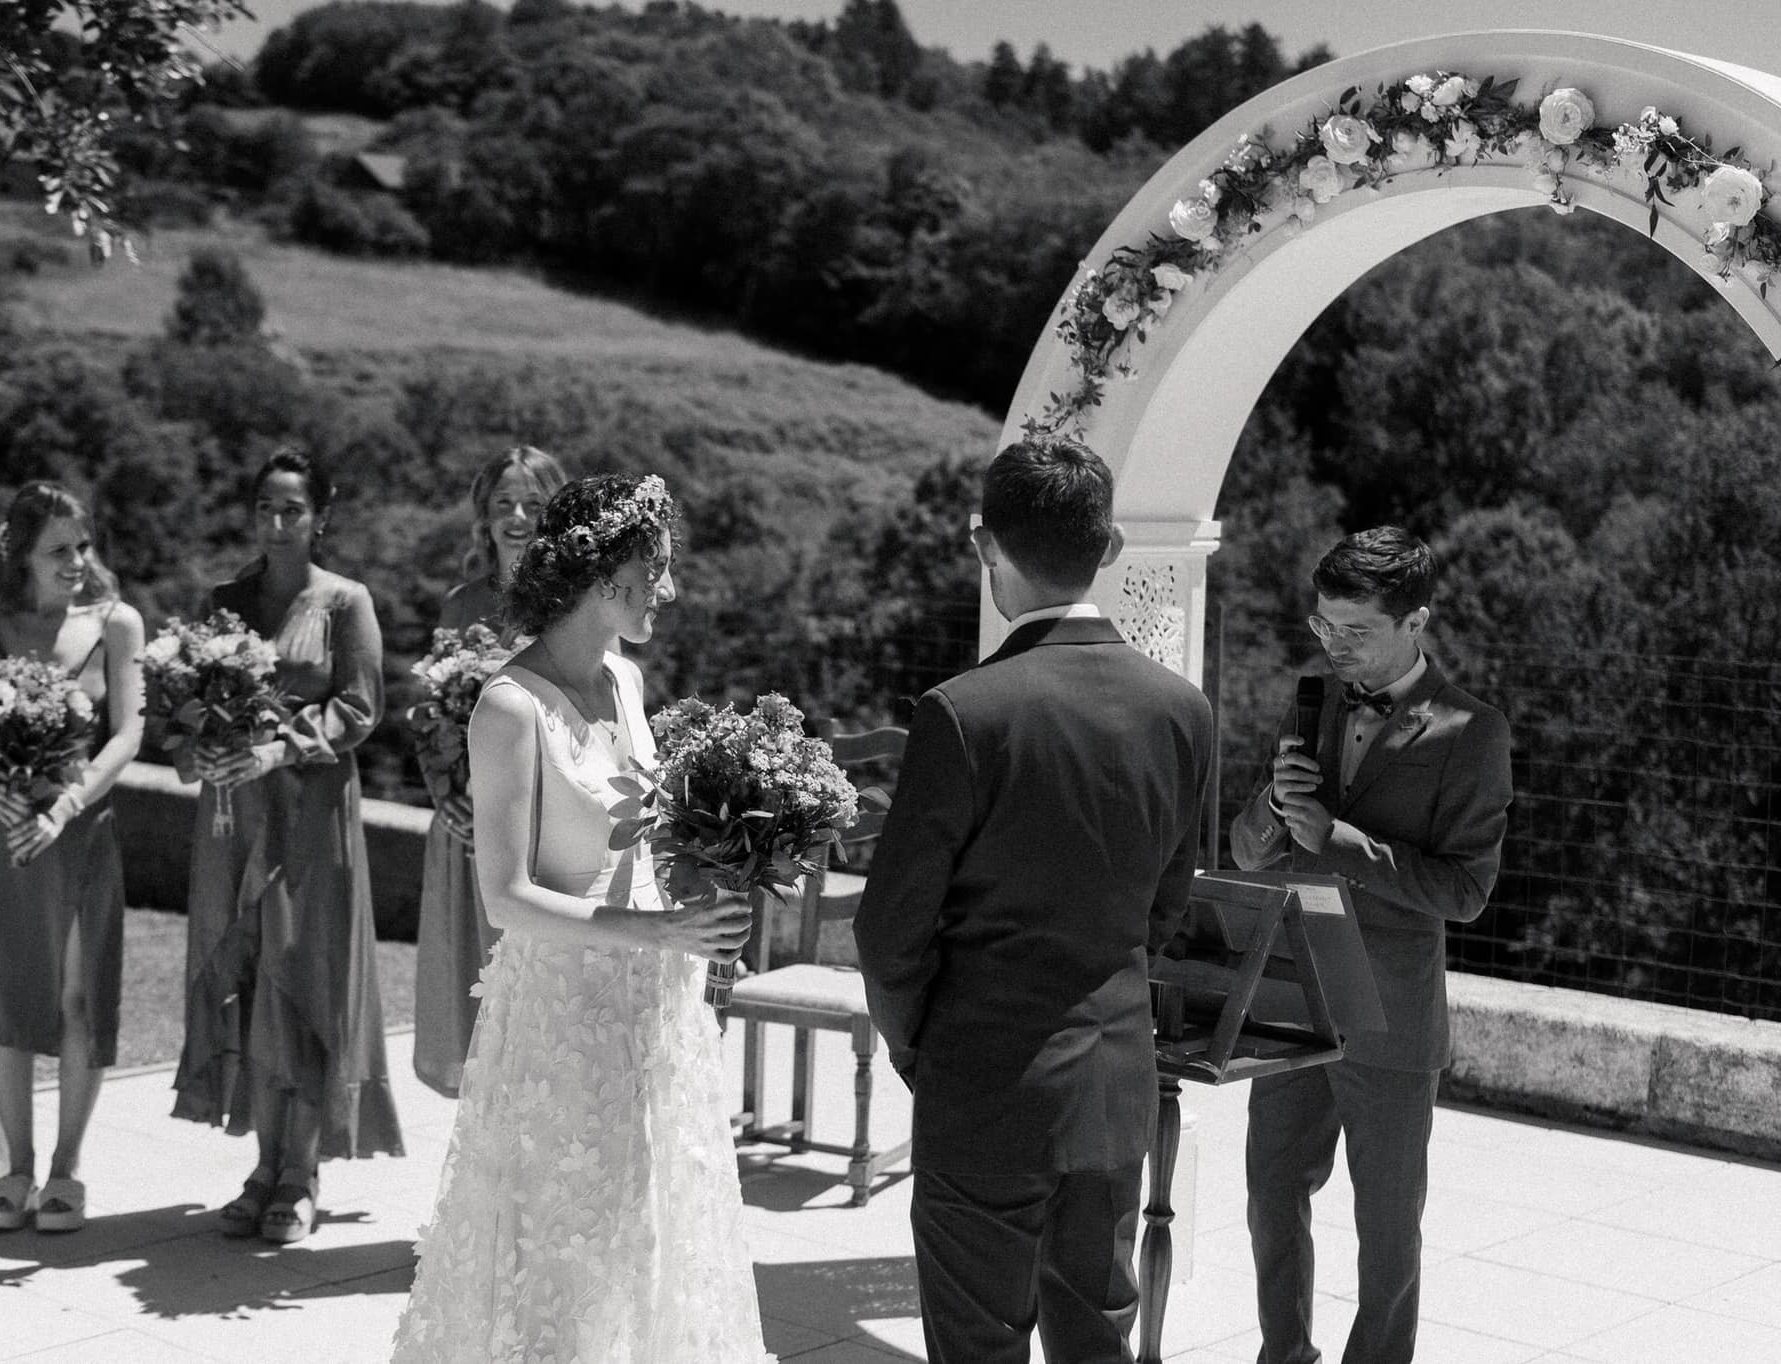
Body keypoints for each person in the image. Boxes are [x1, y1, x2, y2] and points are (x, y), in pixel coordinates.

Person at [391, 473, 769, 1363]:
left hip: (655, 1005)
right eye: (656, 570)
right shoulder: (507, 707)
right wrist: (655, 934)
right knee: (566, 1242)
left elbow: (640, 839)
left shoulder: (628, 681)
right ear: (606, 576)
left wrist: (700, 908)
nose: (667, 590)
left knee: (648, 1231)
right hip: (563, 1013)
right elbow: (505, 897)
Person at [853, 435, 1214, 1364]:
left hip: (984, 1082)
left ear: (985, 547)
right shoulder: (1184, 711)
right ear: (1113, 549)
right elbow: (1169, 907)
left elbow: (890, 929)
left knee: (979, 1345)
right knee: (1098, 1341)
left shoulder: (962, 713)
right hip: (1114, 1081)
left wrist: (919, 1048)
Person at [1230, 526, 1512, 1364]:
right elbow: (1252, 852)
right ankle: (1284, 1355)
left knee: (1387, 1229)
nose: (1333, 645)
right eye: (1324, 625)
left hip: (1391, 1014)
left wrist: (1341, 840)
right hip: (1292, 999)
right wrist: (1275, 813)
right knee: (1270, 1195)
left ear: (1416, 621)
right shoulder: (1312, 698)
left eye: (1355, 631)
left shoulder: (1473, 731)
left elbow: (1467, 891)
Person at [171, 448, 404, 1246]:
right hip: (233, 814)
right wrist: (200, 746)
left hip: (310, 815)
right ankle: (262, 1164)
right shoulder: (226, 600)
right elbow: (192, 703)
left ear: (319, 517)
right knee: (247, 971)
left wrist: (281, 746)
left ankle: (301, 1174)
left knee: (302, 975)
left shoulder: (346, 602)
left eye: (293, 510)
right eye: (266, 508)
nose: (277, 523)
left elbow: (364, 705)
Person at [0, 481, 146, 1232]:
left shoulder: (117, 623)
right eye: (59, 550)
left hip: (80, 830)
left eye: (83, 546)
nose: (78, 562)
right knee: (1, 993)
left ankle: (64, 1172)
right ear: (20, 554)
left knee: (75, 997)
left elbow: (126, 736)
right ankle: (15, 1170)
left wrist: (64, 805)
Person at [412, 443, 567, 1097]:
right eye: (504, 503)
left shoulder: (574, 606)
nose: (518, 517)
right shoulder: (460, 603)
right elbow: (431, 712)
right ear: (484, 516)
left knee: (540, 1007)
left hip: (546, 831)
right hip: (469, 828)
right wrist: (443, 794)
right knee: (476, 1006)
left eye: (534, 504)